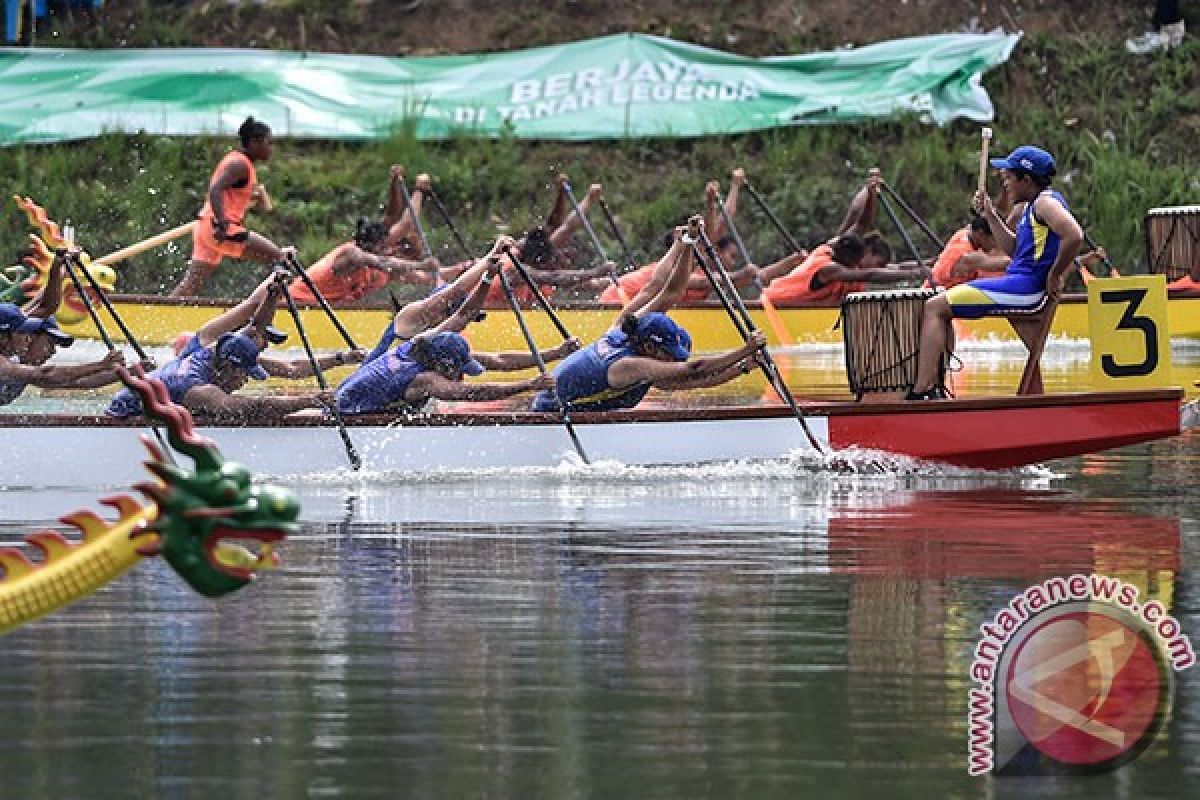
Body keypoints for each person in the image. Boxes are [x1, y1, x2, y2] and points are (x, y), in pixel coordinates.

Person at [908, 145, 1083, 400]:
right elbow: (1014, 250)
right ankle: (1033, 401)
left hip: (1027, 289)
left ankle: (922, 392)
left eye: (1010, 177)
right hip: (1019, 284)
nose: (1006, 183)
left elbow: (1074, 235)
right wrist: (990, 214)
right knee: (939, 306)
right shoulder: (1030, 207)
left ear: (1027, 179)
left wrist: (1055, 274)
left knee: (935, 306)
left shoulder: (1045, 204)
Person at [532, 225, 769, 413]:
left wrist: (684, 244)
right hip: (550, 415)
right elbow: (695, 369)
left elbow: (665, 291)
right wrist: (745, 349)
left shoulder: (623, 327)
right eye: (667, 352)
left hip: (569, 410)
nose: (671, 359)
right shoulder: (629, 365)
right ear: (647, 347)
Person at [759, 171, 927, 303]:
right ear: (853, 259)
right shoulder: (829, 268)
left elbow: (860, 219)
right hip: (774, 305)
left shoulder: (839, 245)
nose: (858, 266)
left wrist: (870, 190)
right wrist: (914, 275)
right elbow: (871, 275)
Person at [106, 329, 332, 421]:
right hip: (125, 418)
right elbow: (255, 408)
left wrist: (340, 359)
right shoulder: (198, 390)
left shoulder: (211, 352)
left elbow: (290, 367)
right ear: (227, 367)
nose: (244, 382)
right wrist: (309, 401)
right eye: (244, 375)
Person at [172, 272, 366, 378]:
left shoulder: (243, 357)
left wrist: (342, 358)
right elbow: (252, 305)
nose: (266, 346)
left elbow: (292, 368)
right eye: (266, 338)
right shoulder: (207, 339)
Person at [171, 117, 285, 297]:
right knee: (279, 258)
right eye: (268, 143)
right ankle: (268, 307)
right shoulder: (239, 164)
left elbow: (230, 194)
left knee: (190, 286)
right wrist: (223, 223)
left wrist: (255, 197)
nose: (271, 148)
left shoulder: (239, 162)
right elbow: (215, 189)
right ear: (255, 142)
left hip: (205, 227)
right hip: (220, 229)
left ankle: (164, 310)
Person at [334, 330, 557, 415]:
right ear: (443, 365)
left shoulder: (413, 348)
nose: (461, 375)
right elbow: (471, 394)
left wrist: (556, 352)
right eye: (459, 370)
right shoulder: (425, 379)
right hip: (346, 417)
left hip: (343, 403)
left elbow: (497, 360)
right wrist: (529, 385)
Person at [0, 302, 129, 406]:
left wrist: (133, 371)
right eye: (51, 343)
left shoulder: (22, 367)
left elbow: (83, 382)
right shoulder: (6, 364)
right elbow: (45, 374)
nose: (53, 351)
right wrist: (101, 365)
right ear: (31, 336)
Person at [287, 218, 440, 305]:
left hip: (318, 308)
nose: (386, 250)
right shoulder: (352, 254)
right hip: (293, 304)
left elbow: (417, 276)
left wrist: (461, 270)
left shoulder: (368, 266)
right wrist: (422, 264)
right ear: (369, 246)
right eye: (382, 246)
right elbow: (382, 262)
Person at [928, 215, 1009, 289]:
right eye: (995, 239)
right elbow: (1006, 263)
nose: (997, 244)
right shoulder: (969, 256)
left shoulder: (962, 234)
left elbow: (973, 225)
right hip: (936, 296)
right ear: (981, 233)